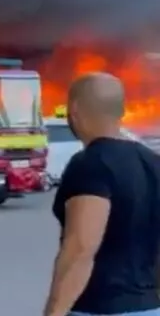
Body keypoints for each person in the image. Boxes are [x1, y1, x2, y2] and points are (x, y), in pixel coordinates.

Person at [45, 72, 160, 316]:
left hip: (99, 308)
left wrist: (53, 312)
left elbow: (81, 248)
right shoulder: (153, 162)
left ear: (74, 110)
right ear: (121, 111)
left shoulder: (90, 164)